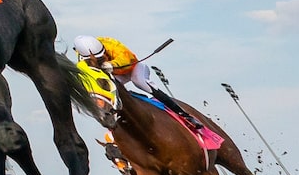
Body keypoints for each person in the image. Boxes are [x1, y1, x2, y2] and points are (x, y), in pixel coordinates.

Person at [72, 35, 204, 130]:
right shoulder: (81, 57)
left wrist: (111, 64)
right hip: (116, 75)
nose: (103, 57)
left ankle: (185, 115)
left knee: (141, 83)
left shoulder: (110, 44)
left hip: (134, 68)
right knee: (111, 86)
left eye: (103, 54)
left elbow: (127, 59)